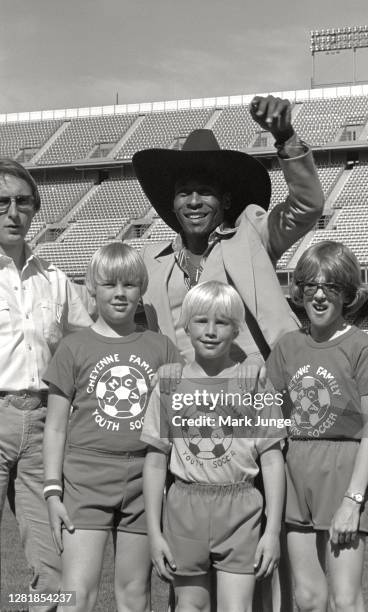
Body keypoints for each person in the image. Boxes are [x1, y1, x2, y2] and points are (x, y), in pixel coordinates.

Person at [133, 95, 324, 611]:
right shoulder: (149, 266)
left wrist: (286, 140)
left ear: (223, 200)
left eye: (205, 192)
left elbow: (306, 206)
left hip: (256, 415)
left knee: (261, 578)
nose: (194, 201)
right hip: (188, 432)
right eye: (183, 193)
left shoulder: (252, 236)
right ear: (171, 205)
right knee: (188, 585)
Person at [42, 243, 182, 612]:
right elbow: (55, 427)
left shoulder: (162, 348)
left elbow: (179, 418)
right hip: (85, 479)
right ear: (91, 287)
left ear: (141, 289)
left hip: (144, 482)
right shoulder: (73, 347)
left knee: (135, 594)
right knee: (77, 593)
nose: (120, 293)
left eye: (130, 284)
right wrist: (53, 491)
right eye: (109, 284)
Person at [265, 240, 368, 612]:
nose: (319, 296)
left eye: (332, 287)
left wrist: (353, 500)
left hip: (343, 472)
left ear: (347, 293)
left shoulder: (362, 347)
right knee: (308, 599)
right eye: (311, 286)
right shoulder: (287, 347)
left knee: (344, 599)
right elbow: (267, 413)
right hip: (294, 472)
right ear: (300, 291)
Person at [141, 281, 286, 612]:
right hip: (184, 507)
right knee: (190, 606)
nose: (210, 331)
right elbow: (155, 461)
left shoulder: (254, 385)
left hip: (241, 507)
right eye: (201, 321)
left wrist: (272, 531)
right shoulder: (169, 384)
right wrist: (154, 532)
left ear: (236, 330)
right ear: (186, 326)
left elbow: (273, 460)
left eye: (221, 322)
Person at [0, 158, 92, 611]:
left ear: (35, 210)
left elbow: (89, 346)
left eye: (22, 202)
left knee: (49, 560)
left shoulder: (55, 280)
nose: (12, 212)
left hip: (43, 426)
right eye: (2, 202)